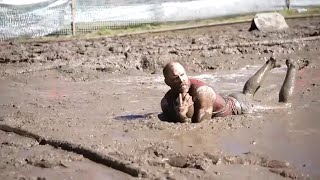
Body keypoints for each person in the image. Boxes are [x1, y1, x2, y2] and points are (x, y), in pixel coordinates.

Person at [160, 57, 297, 123]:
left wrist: (182, 117)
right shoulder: (166, 101)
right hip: (231, 97)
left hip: (240, 107)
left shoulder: (202, 92)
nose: (182, 80)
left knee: (284, 105)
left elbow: (201, 127)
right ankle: (270, 64)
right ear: (167, 82)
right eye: (175, 78)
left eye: (183, 75)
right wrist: (179, 115)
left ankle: (292, 67)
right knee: (248, 93)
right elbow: (168, 116)